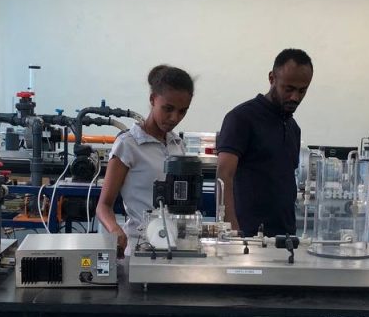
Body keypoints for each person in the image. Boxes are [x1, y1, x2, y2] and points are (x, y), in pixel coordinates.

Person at [96, 65, 194, 256]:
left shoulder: (177, 145)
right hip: (140, 248)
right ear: (152, 99)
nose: (174, 118)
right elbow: (103, 206)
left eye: (182, 111)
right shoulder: (128, 145)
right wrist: (115, 230)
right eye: (168, 109)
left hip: (175, 247)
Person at [217, 48, 313, 236]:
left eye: (302, 90)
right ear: (272, 78)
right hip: (248, 238)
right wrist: (232, 230)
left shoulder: (293, 128)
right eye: (289, 89)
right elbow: (223, 175)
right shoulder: (241, 118)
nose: (295, 97)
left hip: (285, 237)